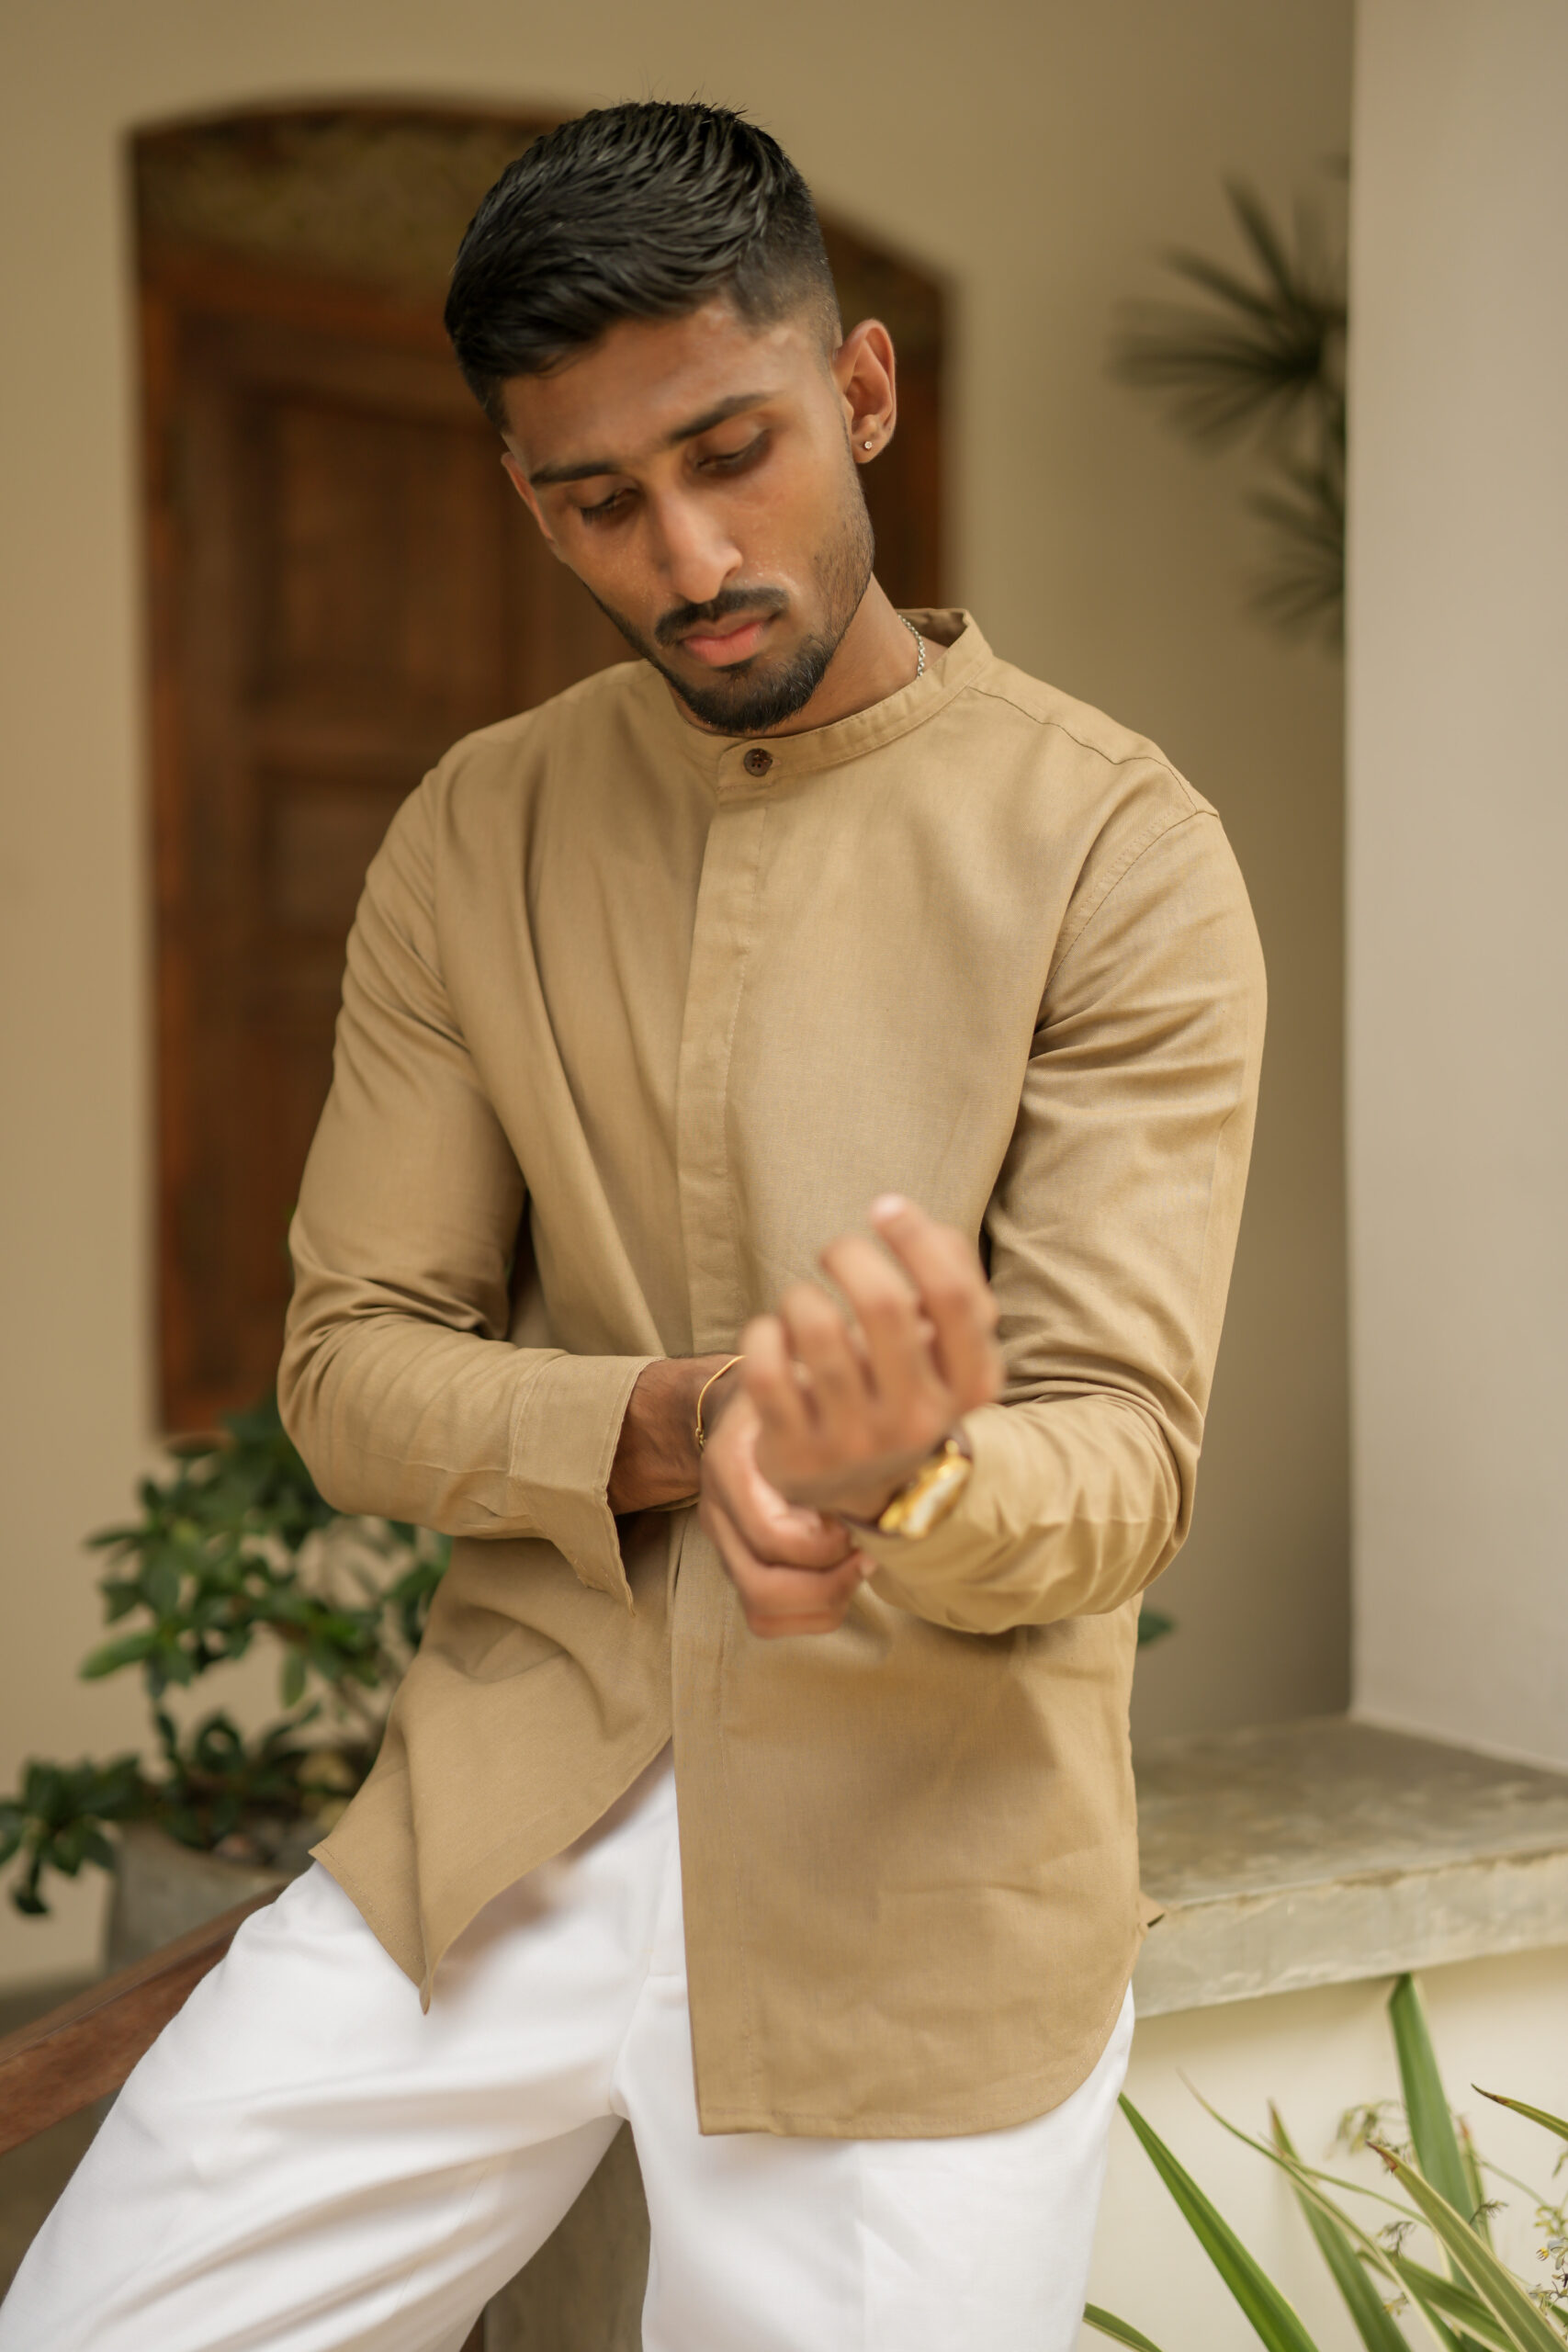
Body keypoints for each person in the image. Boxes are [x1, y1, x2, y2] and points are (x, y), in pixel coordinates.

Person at [1, 99, 1265, 2352]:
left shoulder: (1117, 853)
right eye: (600, 500)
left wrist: (904, 1476)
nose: (687, 556)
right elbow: (350, 1368)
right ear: (524, 495)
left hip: (918, 1882)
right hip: (492, 1827)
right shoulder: (471, 831)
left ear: (858, 390)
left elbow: (1121, 1461)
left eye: (731, 452)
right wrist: (694, 1422)